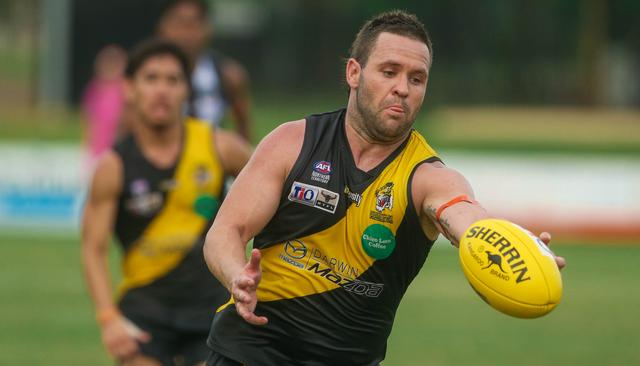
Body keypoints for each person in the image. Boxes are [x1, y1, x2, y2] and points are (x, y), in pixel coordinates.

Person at [202, 10, 566, 366]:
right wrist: (237, 275)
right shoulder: (292, 142)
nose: (402, 89)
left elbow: (467, 218)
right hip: (248, 349)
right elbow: (225, 232)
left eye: (417, 78)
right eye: (389, 72)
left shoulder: (428, 177)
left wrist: (515, 246)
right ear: (354, 73)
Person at [81, 39, 252, 366]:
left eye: (172, 80)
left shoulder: (221, 147)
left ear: (186, 90)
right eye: (151, 78)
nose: (162, 90)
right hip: (145, 311)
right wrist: (108, 319)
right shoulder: (113, 167)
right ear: (129, 88)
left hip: (213, 308)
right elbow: (93, 248)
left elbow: (275, 198)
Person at [157, 0, 252, 141]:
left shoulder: (228, 75)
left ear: (208, 28)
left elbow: (243, 131)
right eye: (179, 24)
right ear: (163, 27)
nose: (186, 35)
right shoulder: (146, 73)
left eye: (193, 25)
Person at [81, 44, 127, 168]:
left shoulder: (125, 89)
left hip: (118, 149)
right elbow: (88, 120)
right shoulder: (94, 87)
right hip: (97, 149)